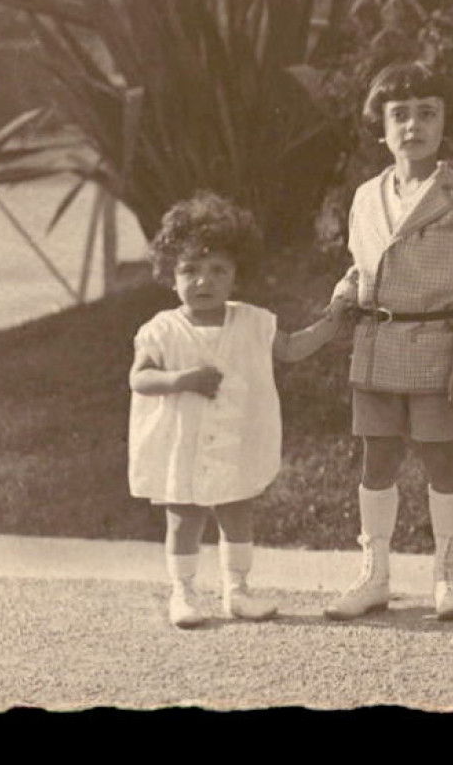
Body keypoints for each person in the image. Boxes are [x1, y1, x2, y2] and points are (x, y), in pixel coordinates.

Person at [323, 62, 453, 621]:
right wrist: (344, 293)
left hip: (435, 345)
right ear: (381, 127)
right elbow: (360, 264)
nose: (413, 126)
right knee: (377, 458)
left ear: (446, 124)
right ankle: (374, 575)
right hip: (376, 346)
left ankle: (448, 573)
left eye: (427, 114)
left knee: (441, 457)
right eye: (400, 116)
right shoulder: (367, 196)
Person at [129, 191, 342, 629]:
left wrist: (333, 323)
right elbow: (140, 378)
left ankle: (237, 590)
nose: (203, 282)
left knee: (237, 510)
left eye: (217, 271)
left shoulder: (253, 321)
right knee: (185, 516)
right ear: (171, 275)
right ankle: (184, 592)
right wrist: (180, 380)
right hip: (182, 443)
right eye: (190, 270)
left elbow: (291, 348)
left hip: (234, 437)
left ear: (235, 277)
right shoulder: (162, 330)